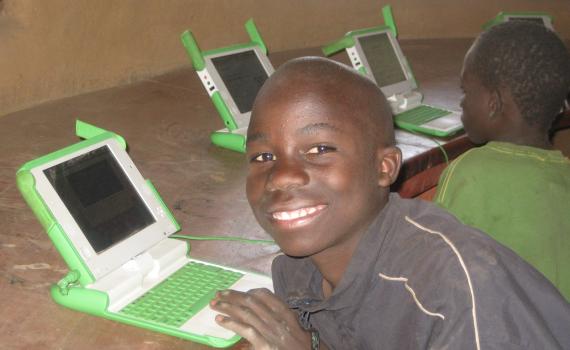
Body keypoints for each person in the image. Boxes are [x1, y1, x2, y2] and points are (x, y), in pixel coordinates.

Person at [209, 57, 570, 349]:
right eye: (262, 157)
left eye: (319, 149)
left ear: (384, 168)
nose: (282, 176)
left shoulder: (454, 294)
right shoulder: (297, 271)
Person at [433, 21, 570, 301]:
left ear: (494, 103)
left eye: (466, 91)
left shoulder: (469, 173)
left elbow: (435, 267)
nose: (461, 103)